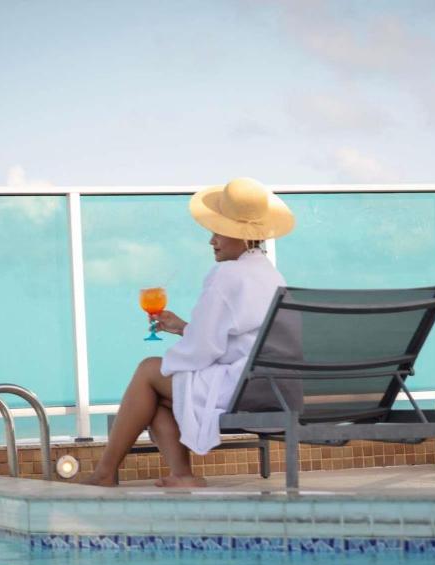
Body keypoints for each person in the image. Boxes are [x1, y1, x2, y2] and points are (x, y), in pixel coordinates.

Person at [83, 177, 295, 487]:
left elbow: (203, 350)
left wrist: (184, 345)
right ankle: (181, 476)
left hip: (243, 388)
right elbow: (235, 341)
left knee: (148, 372)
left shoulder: (228, 274)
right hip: (277, 388)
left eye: (218, 232)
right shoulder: (272, 275)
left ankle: (104, 473)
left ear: (241, 236)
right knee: (153, 394)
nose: (212, 241)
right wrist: (184, 328)